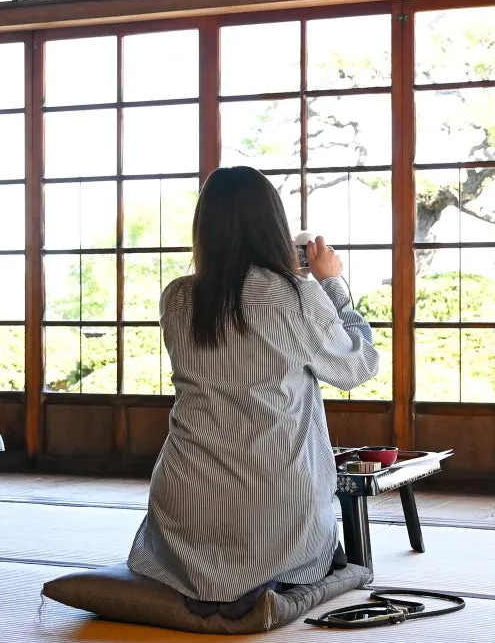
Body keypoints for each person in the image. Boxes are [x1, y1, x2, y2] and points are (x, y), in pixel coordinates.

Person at [128, 166, 380, 614]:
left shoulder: (177, 297)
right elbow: (358, 367)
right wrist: (331, 286)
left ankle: (211, 579)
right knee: (329, 555)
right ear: (273, 227)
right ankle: (275, 574)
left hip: (184, 510)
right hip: (276, 508)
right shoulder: (294, 295)